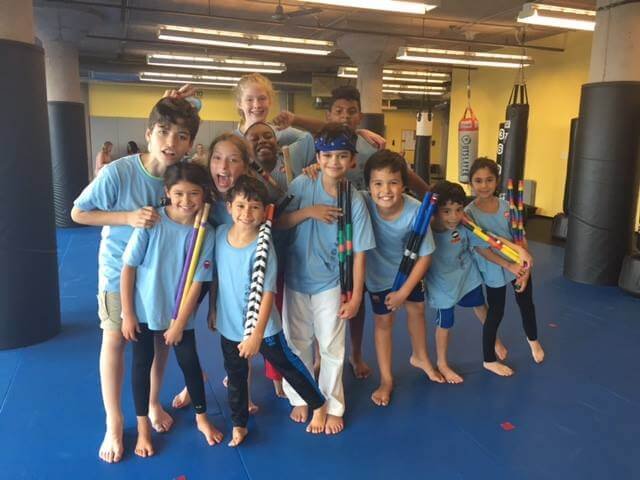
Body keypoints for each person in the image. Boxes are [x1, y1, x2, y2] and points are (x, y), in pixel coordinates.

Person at [71, 97, 200, 463]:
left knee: (158, 341)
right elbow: (78, 212)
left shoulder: (183, 177)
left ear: (190, 144)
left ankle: (152, 402)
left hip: (161, 277)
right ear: (148, 133)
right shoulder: (118, 172)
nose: (170, 142)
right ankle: (114, 420)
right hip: (118, 272)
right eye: (163, 132)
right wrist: (127, 217)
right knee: (114, 338)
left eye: (181, 136)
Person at [275, 85, 430, 379]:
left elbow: (400, 173)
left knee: (353, 299)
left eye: (351, 112)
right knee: (320, 314)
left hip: (359, 226)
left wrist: (430, 197)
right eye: (338, 111)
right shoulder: (310, 144)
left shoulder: (369, 146)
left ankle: (356, 354)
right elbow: (285, 148)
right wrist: (308, 168)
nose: (345, 117)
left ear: (360, 116)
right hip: (321, 236)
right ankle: (318, 360)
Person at [276, 123, 375, 435]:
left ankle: (332, 405)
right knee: (297, 342)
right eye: (328, 155)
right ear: (317, 158)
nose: (334, 162)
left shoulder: (354, 200)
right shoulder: (305, 184)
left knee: (332, 346)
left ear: (352, 161)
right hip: (295, 278)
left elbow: (360, 252)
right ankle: (302, 398)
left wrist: (357, 295)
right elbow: (279, 222)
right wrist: (309, 212)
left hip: (331, 281)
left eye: (342, 156)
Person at [121, 163, 223, 457]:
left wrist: (179, 322)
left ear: (204, 195)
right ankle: (142, 428)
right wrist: (128, 313)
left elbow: (197, 283)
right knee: (141, 366)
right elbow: (128, 268)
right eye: (179, 193)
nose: (186, 200)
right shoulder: (152, 222)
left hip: (180, 314)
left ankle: (202, 418)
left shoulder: (206, 232)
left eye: (194, 193)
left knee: (190, 363)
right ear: (167, 192)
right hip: (143, 311)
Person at [214, 175, 325, 445]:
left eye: (254, 207)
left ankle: (318, 404)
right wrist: (212, 311)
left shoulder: (264, 248)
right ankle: (239, 424)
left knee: (289, 366)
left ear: (264, 211)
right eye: (240, 206)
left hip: (264, 330)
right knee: (236, 377)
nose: (246, 213)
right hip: (229, 325)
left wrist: (255, 335)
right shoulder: (219, 236)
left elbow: (267, 296)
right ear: (229, 207)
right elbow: (218, 277)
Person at [362, 151, 444, 407]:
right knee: (383, 323)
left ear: (404, 185)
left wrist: (404, 291)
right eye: (378, 183)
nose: (385, 190)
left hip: (409, 273)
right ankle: (386, 379)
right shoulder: (361, 202)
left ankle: (420, 356)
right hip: (377, 275)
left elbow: (425, 257)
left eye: (393, 182)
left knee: (417, 309)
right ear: (368, 186)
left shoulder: (415, 211)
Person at [466, 157, 544, 375]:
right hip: (495, 267)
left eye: (489, 180)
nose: (484, 186)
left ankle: (533, 340)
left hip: (518, 264)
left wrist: (524, 267)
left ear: (496, 181)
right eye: (478, 181)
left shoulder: (507, 206)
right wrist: (508, 265)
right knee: (495, 313)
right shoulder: (469, 213)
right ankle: (488, 359)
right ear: (471, 183)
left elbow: (520, 238)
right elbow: (482, 248)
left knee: (526, 304)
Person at [425, 181, 490, 384]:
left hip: (466, 274)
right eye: (446, 211)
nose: (453, 217)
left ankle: (493, 340)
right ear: (436, 211)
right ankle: (442, 363)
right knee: (445, 323)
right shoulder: (427, 230)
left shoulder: (464, 224)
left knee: (481, 307)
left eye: (458, 210)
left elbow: (483, 244)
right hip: (442, 284)